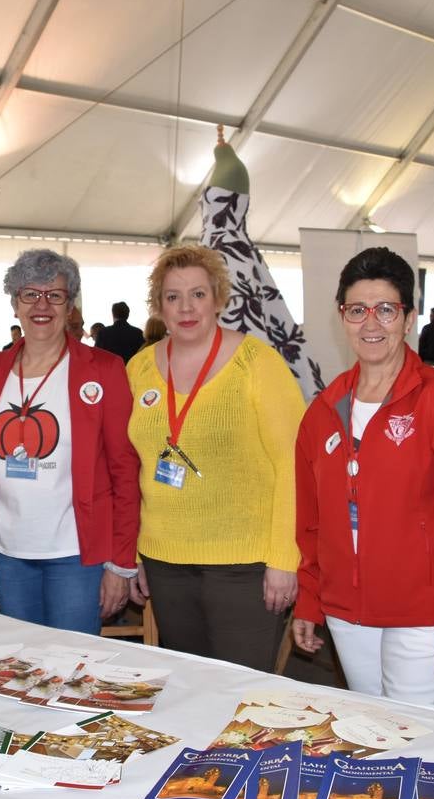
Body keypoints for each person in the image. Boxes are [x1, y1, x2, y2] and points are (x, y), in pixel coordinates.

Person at [294, 247, 434, 707]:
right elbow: (311, 519)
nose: (371, 324)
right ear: (341, 317)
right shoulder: (323, 411)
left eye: (386, 309)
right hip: (348, 612)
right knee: (372, 731)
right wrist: (310, 598)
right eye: (357, 310)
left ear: (408, 318)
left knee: (412, 740)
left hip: (423, 614)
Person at [125, 246, 304, 672]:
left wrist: (284, 559)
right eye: (173, 297)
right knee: (189, 686)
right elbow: (131, 467)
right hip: (165, 559)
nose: (186, 308)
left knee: (241, 694)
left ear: (219, 299)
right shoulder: (138, 369)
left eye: (198, 294)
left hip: (243, 565)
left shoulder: (257, 363)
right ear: (158, 305)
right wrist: (136, 554)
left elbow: (294, 465)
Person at [0, 249, 139, 634]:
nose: (42, 305)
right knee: (19, 667)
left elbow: (124, 470)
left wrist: (120, 561)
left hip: (77, 554)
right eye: (30, 294)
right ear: (14, 303)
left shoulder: (104, 370)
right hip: (7, 552)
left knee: (73, 666)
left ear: (70, 305)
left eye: (54, 295)